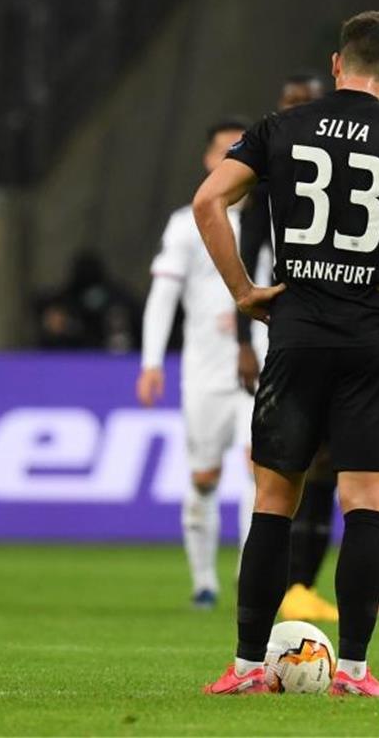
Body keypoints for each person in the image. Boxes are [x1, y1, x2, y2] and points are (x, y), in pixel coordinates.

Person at [192, 11, 379, 696]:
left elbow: (209, 201)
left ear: (336, 64)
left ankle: (245, 669)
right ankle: (354, 669)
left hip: (295, 329)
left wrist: (242, 290)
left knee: (273, 499)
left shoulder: (280, 128)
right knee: (365, 502)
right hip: (369, 337)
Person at [235, 72, 340, 624]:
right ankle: (271, 584)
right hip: (280, 328)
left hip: (332, 330)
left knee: (325, 465)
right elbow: (248, 254)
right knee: (276, 466)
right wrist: (241, 338)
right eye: (287, 102)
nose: (292, 111)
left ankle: (302, 584)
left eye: (302, 104)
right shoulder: (266, 177)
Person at [136, 117, 254, 609]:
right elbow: (164, 294)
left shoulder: (276, 220)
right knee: (204, 477)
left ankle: (255, 581)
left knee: (261, 472)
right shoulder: (188, 223)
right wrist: (151, 361)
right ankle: (204, 582)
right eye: (224, 152)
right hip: (205, 372)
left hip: (261, 370)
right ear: (209, 160)